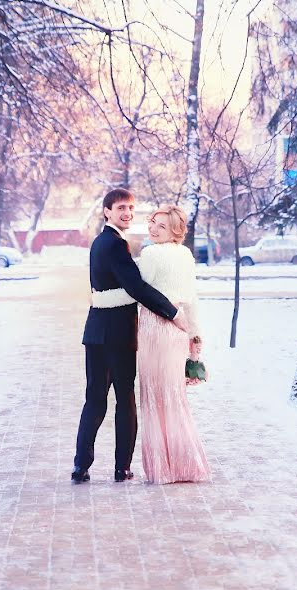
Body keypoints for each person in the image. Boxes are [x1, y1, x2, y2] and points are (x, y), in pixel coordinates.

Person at [71, 189, 189, 484]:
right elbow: (136, 287)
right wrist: (172, 313)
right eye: (121, 207)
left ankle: (81, 466)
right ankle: (121, 468)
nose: (127, 213)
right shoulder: (115, 244)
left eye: (131, 208)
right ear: (107, 212)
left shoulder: (101, 242)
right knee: (125, 400)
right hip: (118, 334)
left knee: (95, 400)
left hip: (96, 331)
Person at [136, 205, 211, 484]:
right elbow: (192, 299)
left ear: (175, 231)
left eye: (162, 226)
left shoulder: (151, 254)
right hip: (179, 333)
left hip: (155, 328)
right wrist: (195, 339)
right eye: (153, 222)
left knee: (154, 398)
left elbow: (137, 289)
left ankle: (163, 468)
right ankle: (187, 463)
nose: (154, 229)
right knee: (174, 397)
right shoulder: (186, 255)